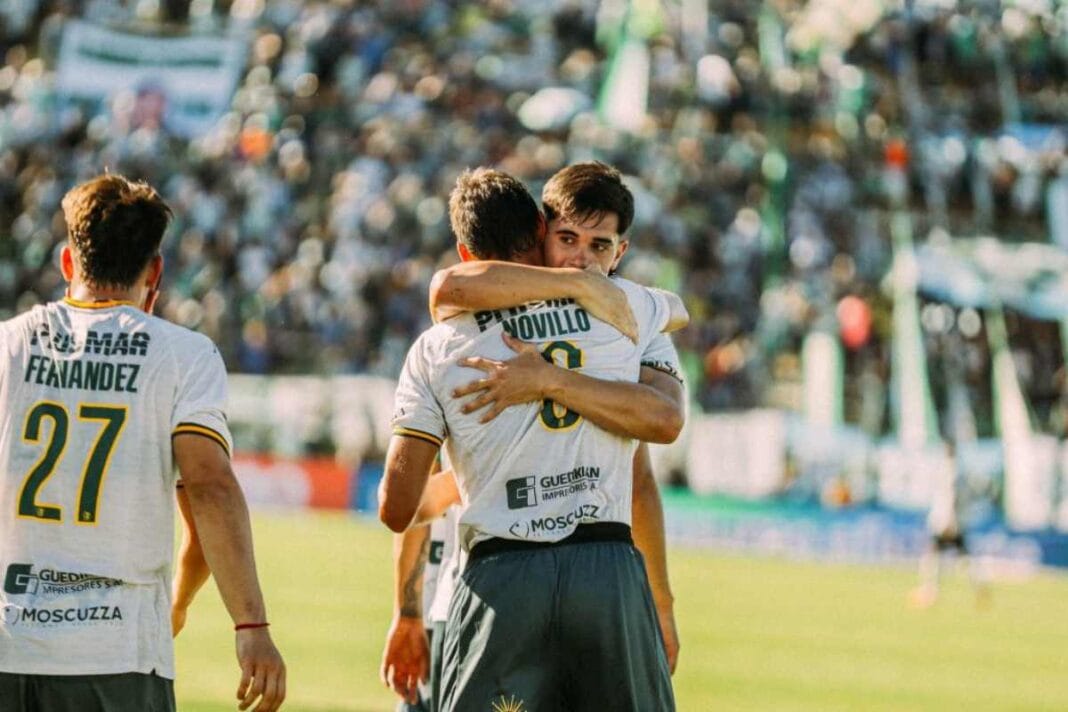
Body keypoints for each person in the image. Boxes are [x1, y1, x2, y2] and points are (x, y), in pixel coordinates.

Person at [380, 165, 682, 711]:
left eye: (598, 246)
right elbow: (649, 453)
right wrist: (660, 602)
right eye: (567, 239)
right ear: (541, 234)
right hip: (605, 571)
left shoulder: (438, 345)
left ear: (621, 250)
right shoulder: (625, 315)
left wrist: (474, 478)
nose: (581, 259)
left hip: (495, 578)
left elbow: (400, 505)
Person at [0, 174, 285, 712]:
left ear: (67, 263)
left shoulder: (8, 345)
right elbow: (209, 487)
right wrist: (250, 625)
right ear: (155, 271)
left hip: (8, 643)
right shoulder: (183, 354)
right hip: (116, 652)